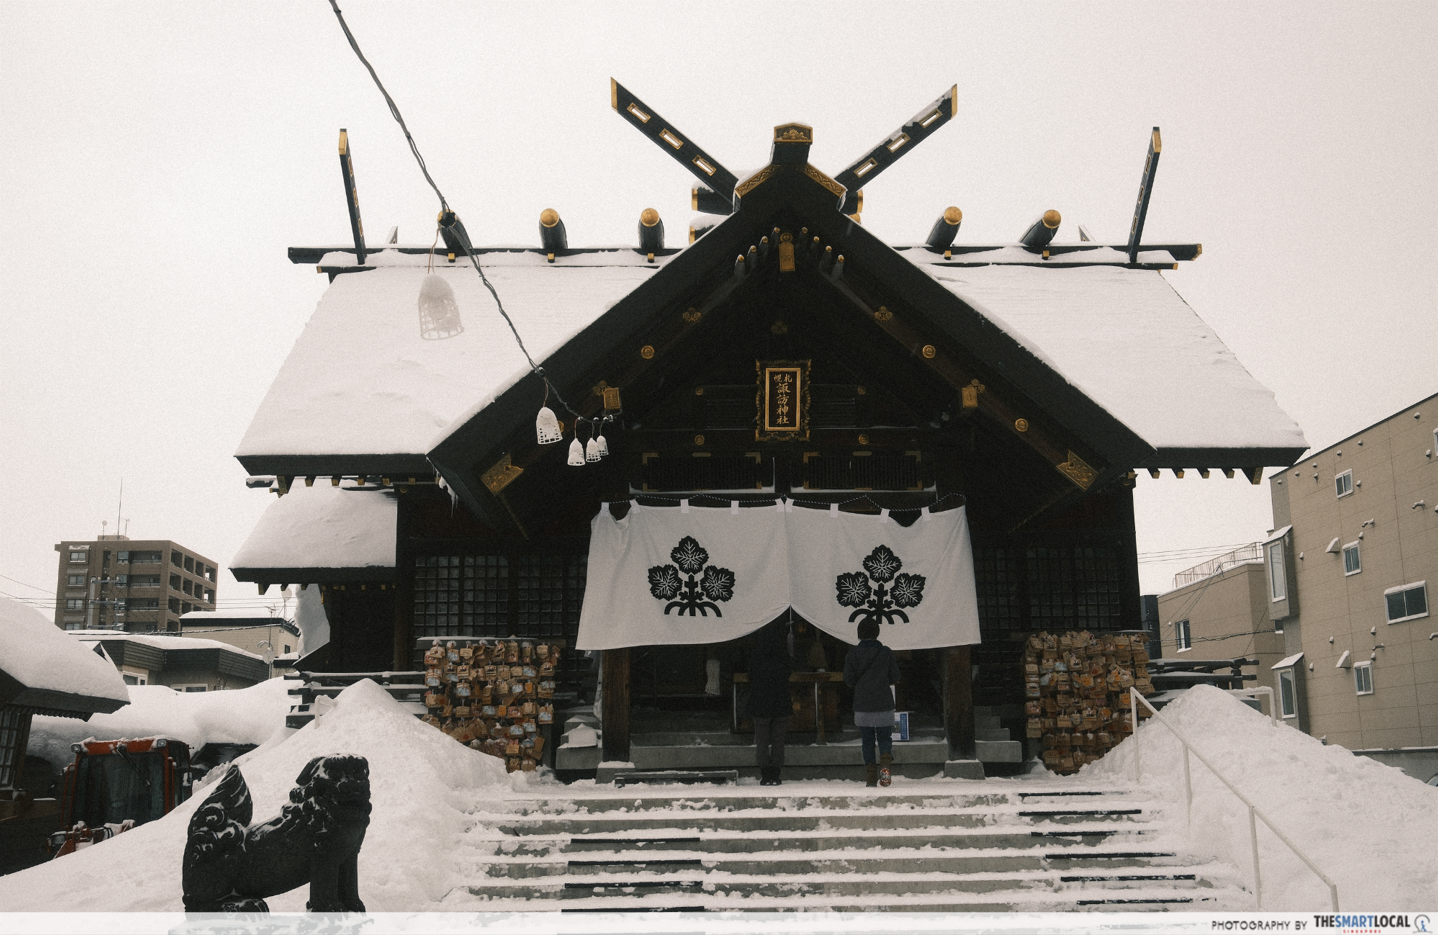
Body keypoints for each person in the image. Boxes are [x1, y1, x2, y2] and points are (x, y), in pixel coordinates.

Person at [843, 619, 901, 787]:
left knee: (867, 740)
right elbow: (895, 676)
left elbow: (848, 679)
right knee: (885, 737)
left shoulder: (853, 654)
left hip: (862, 703)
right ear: (877, 633)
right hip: (883, 701)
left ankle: (870, 776)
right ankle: (885, 765)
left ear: (859, 634)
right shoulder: (886, 653)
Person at [746, 619, 794, 786]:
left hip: (760, 704)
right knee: (778, 741)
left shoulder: (756, 656)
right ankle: (776, 772)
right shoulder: (783, 656)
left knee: (762, 741)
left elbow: (750, 675)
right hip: (781, 704)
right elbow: (788, 673)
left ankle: (765, 773)